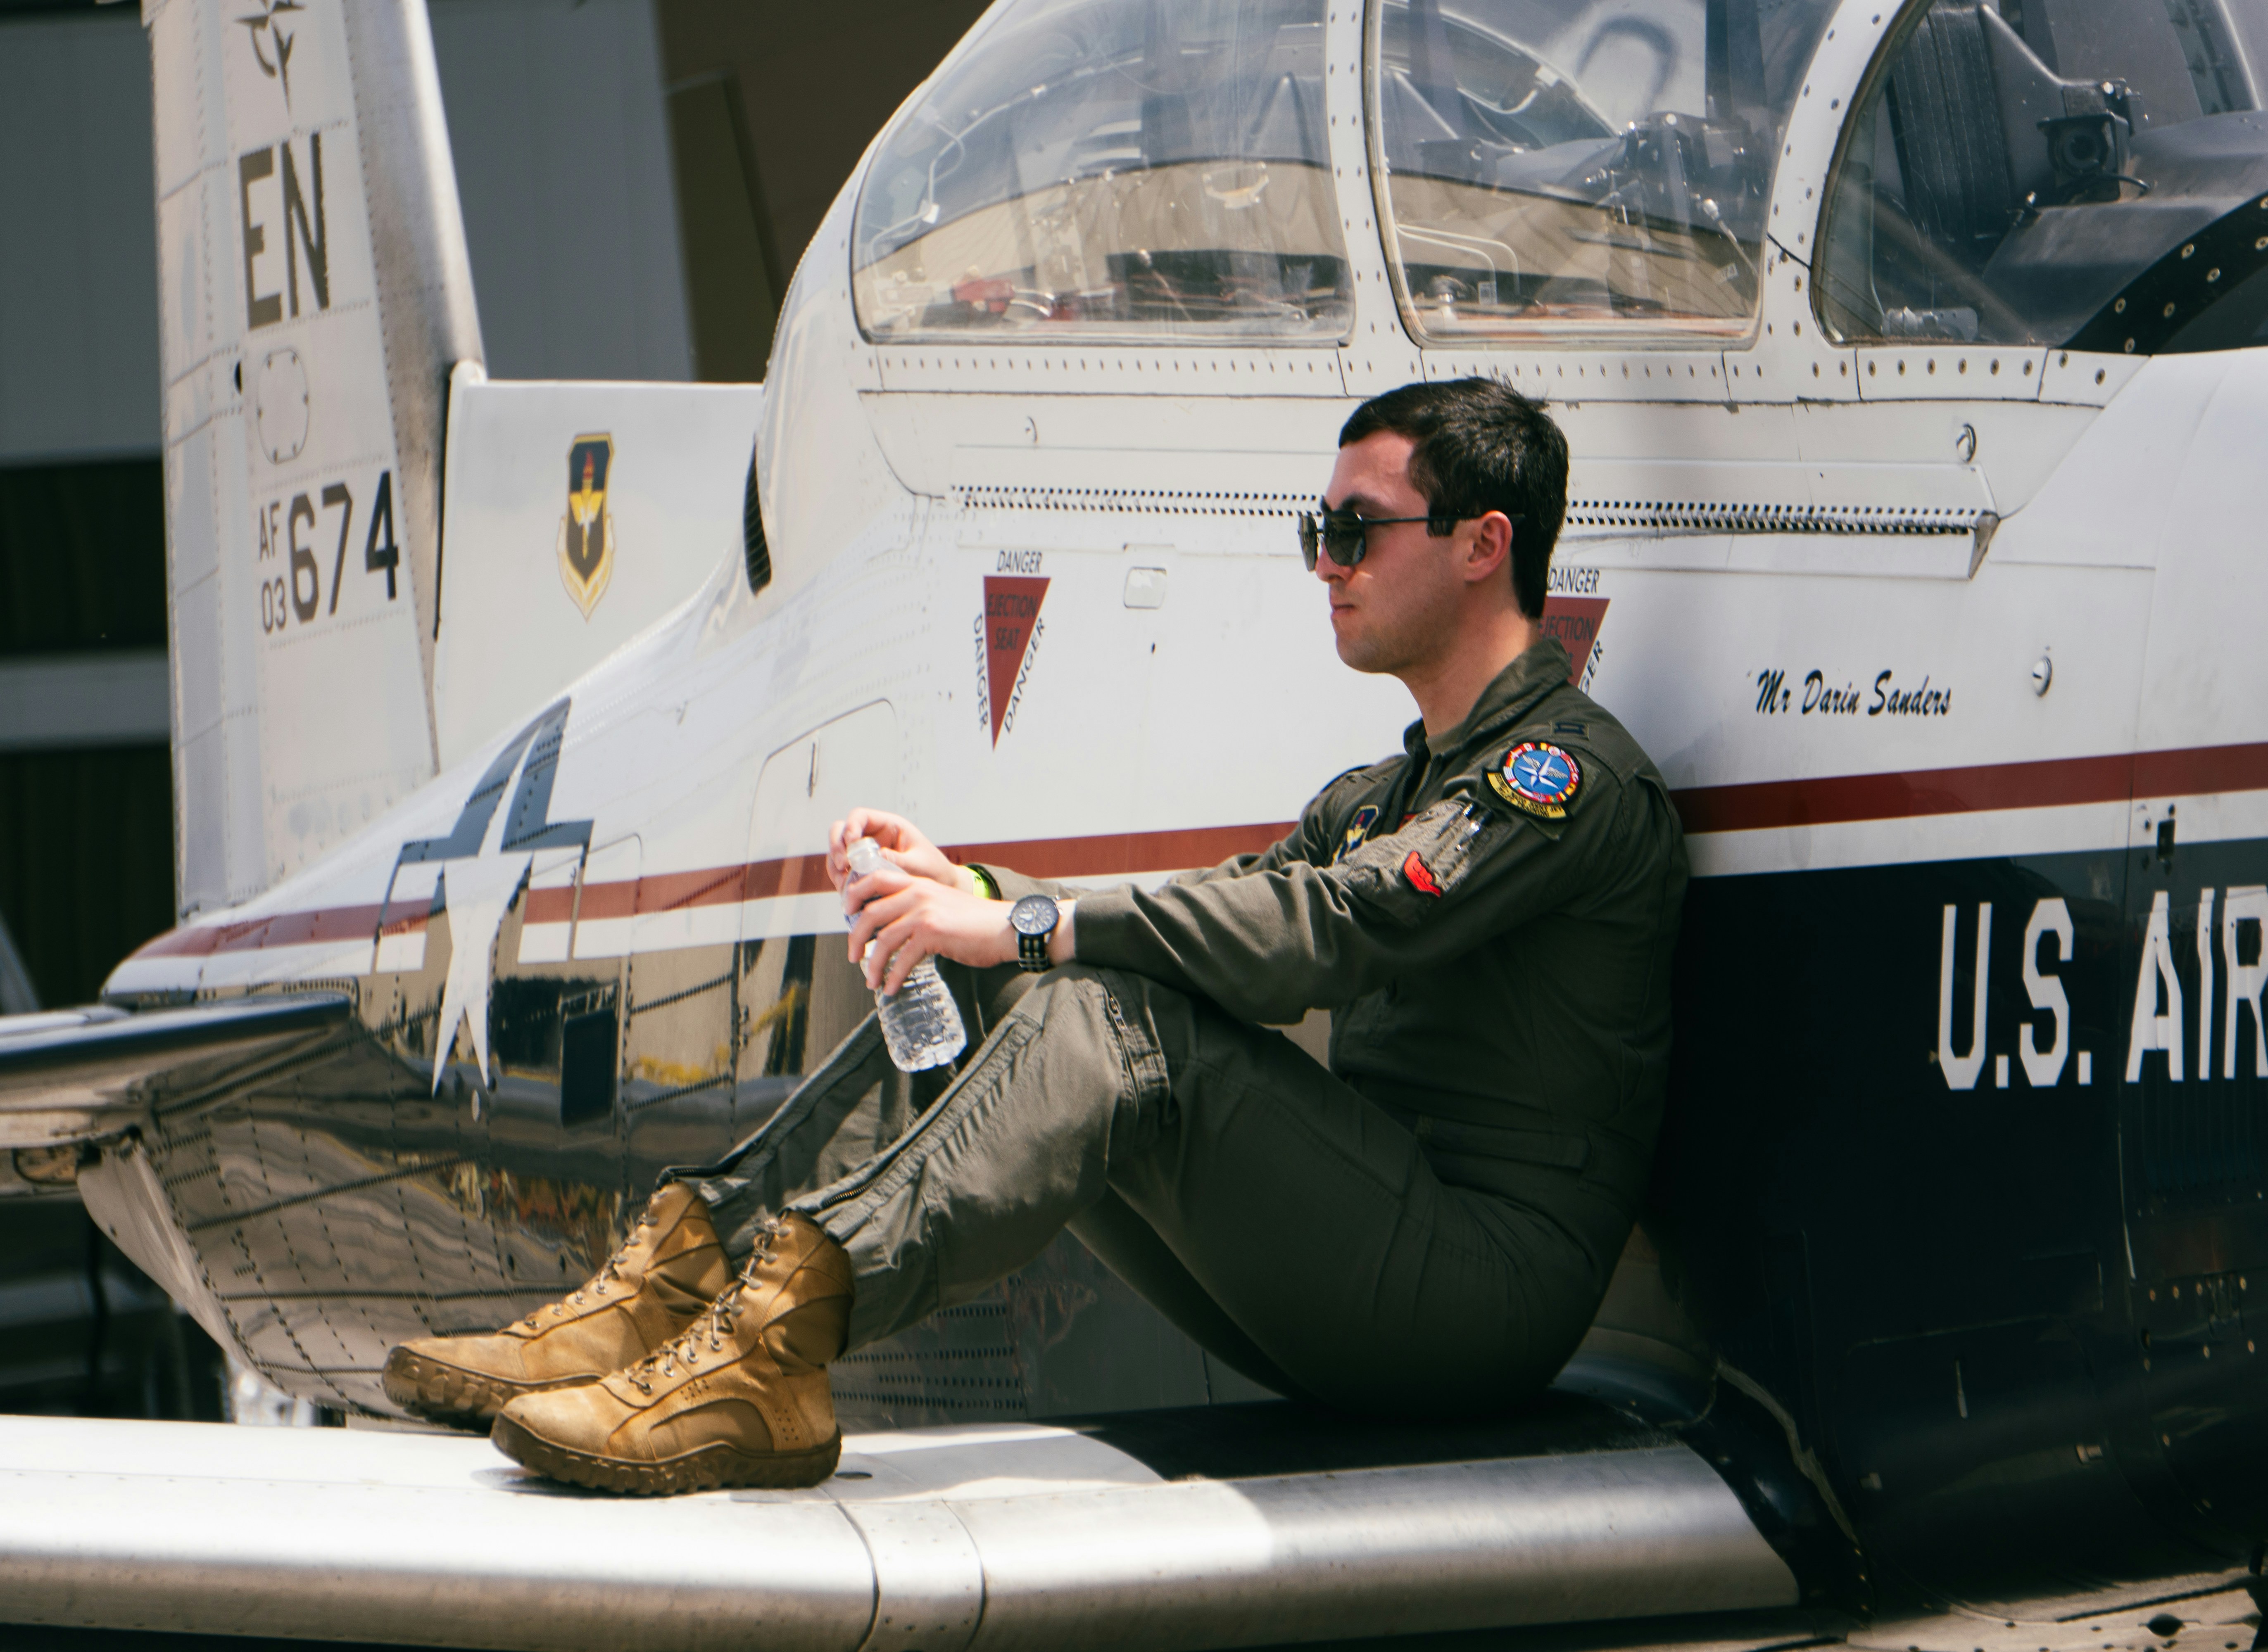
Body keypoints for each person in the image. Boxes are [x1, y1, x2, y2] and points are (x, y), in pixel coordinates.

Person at [383, 377, 1687, 1495]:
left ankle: (778, 1343)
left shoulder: (1559, 782)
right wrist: (969, 893)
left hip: (1476, 1305)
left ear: (1483, 544)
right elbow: (1222, 913)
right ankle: (683, 1275)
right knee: (1017, 973)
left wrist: (1018, 922)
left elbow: (1323, 933)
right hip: (1365, 1268)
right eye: (1318, 531)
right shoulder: (1380, 794)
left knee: (1097, 1008)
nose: (1326, 565)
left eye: (1356, 530)